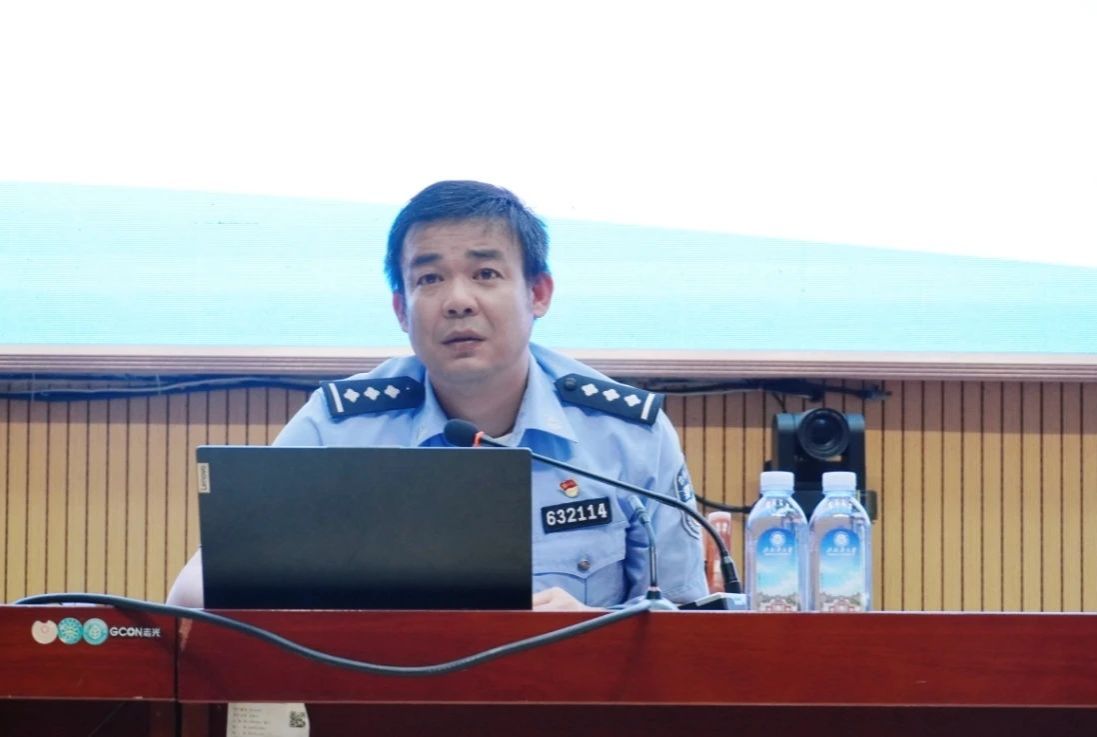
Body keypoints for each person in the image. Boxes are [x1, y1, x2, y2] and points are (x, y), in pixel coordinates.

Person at [167, 180, 708, 611]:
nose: (457, 301)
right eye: (429, 279)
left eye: (486, 273)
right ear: (401, 310)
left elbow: (689, 619)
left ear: (538, 293)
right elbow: (191, 594)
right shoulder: (339, 427)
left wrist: (590, 630)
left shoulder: (627, 433)